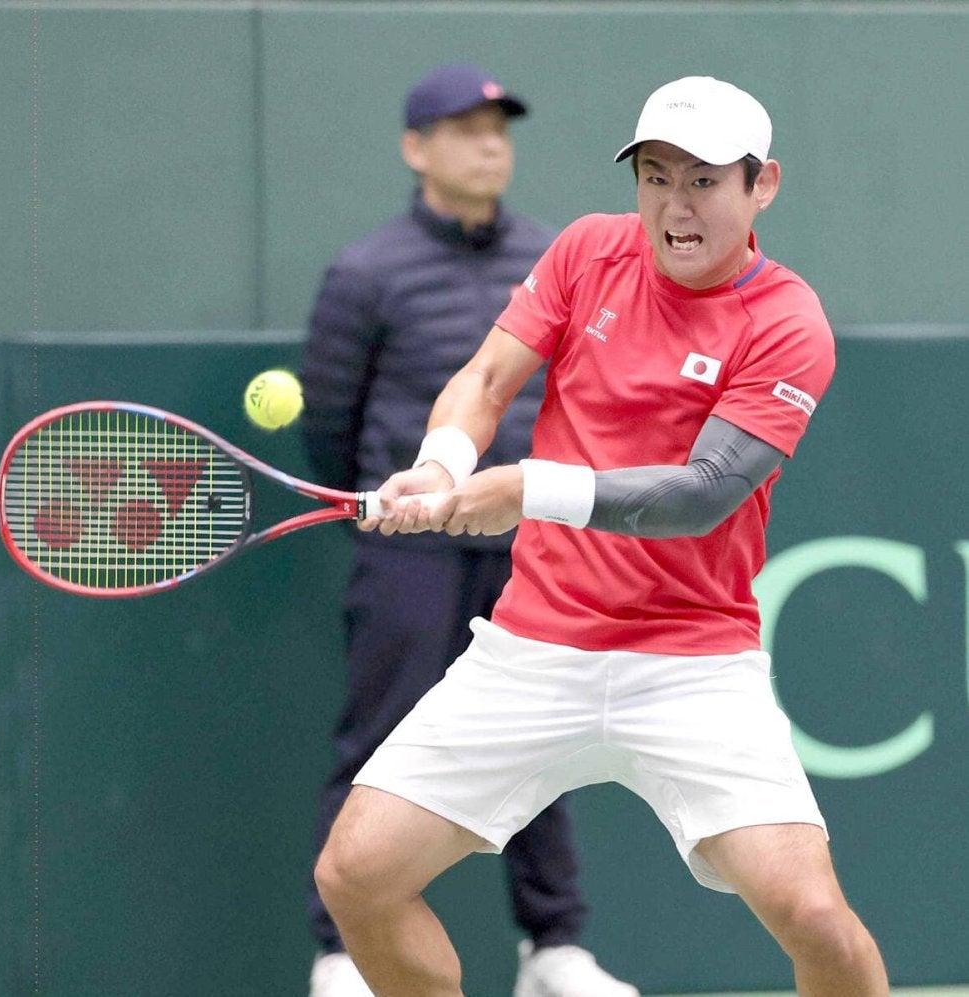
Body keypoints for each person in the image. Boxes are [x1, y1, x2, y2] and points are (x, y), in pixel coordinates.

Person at [313, 76, 893, 997]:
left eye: (703, 180)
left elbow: (704, 493)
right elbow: (487, 378)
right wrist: (442, 462)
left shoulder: (787, 321)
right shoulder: (588, 250)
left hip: (693, 663)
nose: (675, 204)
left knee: (817, 920)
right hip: (532, 650)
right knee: (356, 875)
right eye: (656, 176)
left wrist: (525, 489)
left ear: (763, 186)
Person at [300, 64, 639, 997]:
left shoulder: (552, 260)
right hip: (407, 556)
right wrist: (389, 508)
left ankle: (553, 949)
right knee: (380, 741)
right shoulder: (365, 272)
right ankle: (341, 951)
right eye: (463, 128)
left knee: (541, 741)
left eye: (498, 128)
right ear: (416, 149)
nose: (489, 144)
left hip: (533, 552)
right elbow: (331, 424)